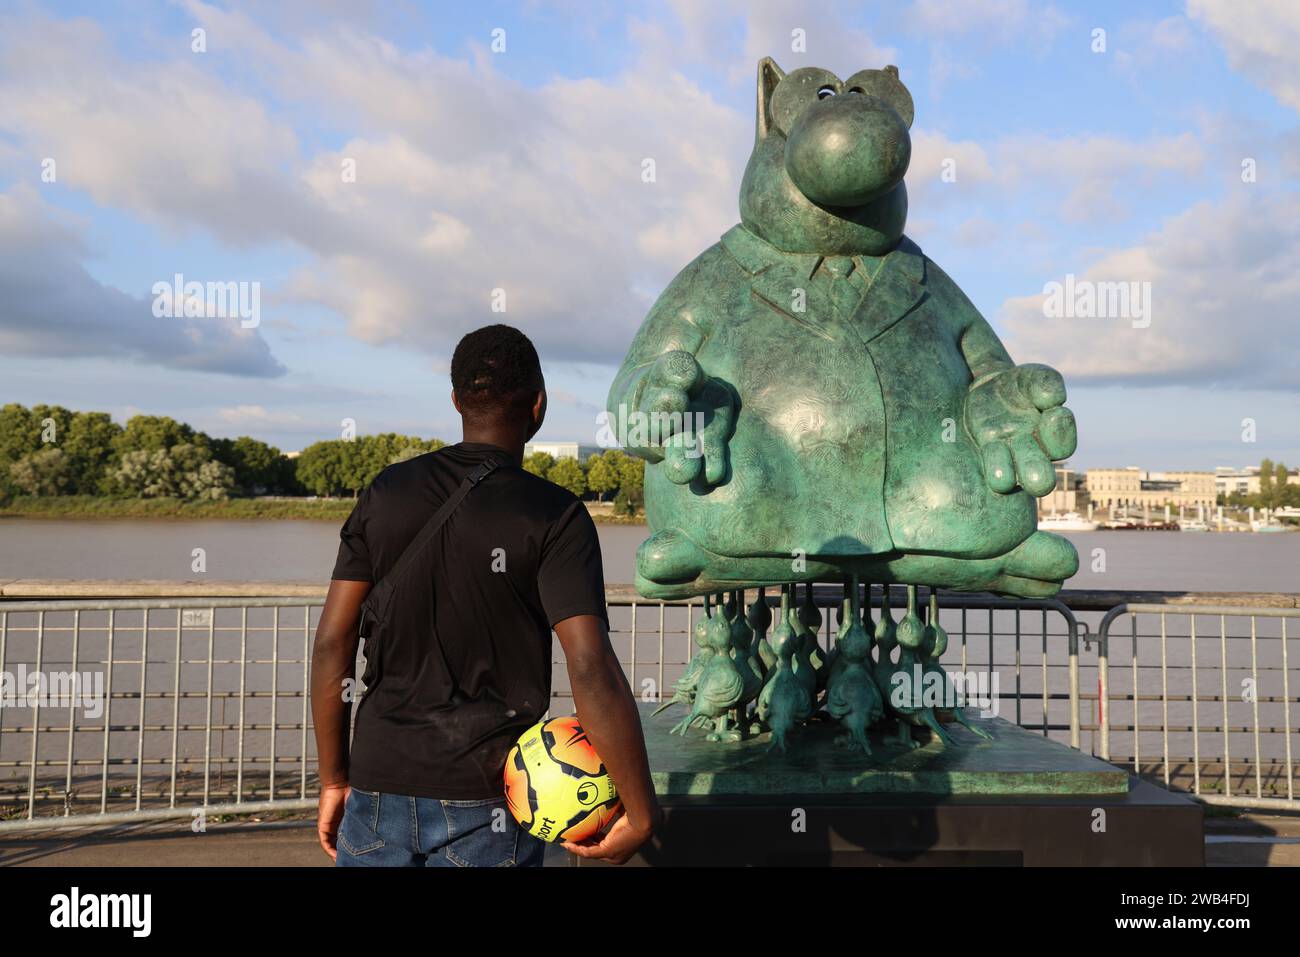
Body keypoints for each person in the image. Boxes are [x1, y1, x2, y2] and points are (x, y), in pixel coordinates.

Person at [311, 324, 660, 866]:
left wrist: (335, 777)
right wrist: (641, 811)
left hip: (376, 788)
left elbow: (333, 644)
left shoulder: (386, 492)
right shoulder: (556, 514)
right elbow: (589, 665)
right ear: (538, 404)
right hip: (488, 802)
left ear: (456, 400)